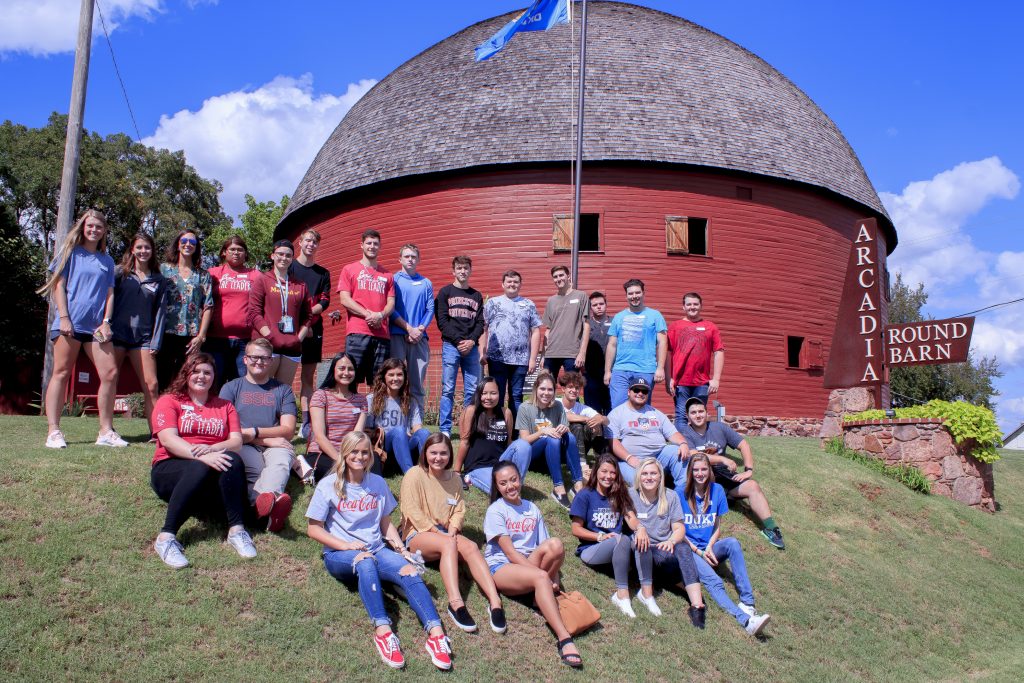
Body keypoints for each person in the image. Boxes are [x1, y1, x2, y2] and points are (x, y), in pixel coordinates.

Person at [305, 431, 453, 671]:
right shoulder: (328, 485)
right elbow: (314, 529)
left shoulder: (377, 483)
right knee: (365, 562)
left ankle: (436, 636)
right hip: (339, 553)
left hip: (376, 548)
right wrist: (346, 545)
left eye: (365, 452)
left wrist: (400, 549)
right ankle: (384, 633)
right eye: (354, 451)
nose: (360, 456)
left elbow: (385, 522)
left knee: (409, 572)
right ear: (344, 453)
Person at [149, 352, 257, 569]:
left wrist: (213, 448)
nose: (201, 376)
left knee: (233, 460)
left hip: (212, 467)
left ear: (214, 377)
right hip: (171, 467)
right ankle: (166, 538)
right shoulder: (169, 401)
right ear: (186, 374)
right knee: (200, 466)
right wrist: (203, 455)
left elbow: (235, 441)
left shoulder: (225, 406)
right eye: (195, 371)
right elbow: (168, 440)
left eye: (207, 372)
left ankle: (236, 531)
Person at [400, 433, 506, 634]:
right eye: (433, 453)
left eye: (443, 453)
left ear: (450, 455)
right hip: (418, 533)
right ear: (425, 453)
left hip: (445, 533)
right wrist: (438, 533)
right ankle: (456, 603)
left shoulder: (455, 479)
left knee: (472, 547)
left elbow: (459, 509)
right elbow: (411, 510)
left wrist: (452, 530)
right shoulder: (414, 474)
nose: (438, 458)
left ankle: (495, 602)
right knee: (449, 544)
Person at [38, 209, 126, 448]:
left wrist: (106, 322)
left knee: (110, 373)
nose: (94, 230)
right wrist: (64, 317)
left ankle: (106, 432)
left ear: (104, 231)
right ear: (83, 228)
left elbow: (110, 293)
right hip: (70, 323)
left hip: (96, 328)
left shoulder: (106, 260)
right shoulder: (70, 253)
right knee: (62, 373)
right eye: (90, 226)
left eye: (98, 227)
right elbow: (58, 286)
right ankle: (54, 431)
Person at [484, 462, 583, 668]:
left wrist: (554, 578)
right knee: (539, 577)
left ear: (520, 479)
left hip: (528, 565)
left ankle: (540, 594)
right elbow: (510, 553)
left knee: (556, 544)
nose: (510, 486)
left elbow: (544, 545)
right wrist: (543, 575)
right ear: (497, 486)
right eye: (503, 483)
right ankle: (564, 638)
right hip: (503, 567)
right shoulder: (496, 510)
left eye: (513, 480)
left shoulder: (532, 508)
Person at [679, 397, 785, 549]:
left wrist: (748, 470)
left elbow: (743, 445)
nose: (698, 415)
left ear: (707, 413)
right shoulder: (686, 433)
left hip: (725, 477)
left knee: (753, 486)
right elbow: (694, 455)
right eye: (693, 412)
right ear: (688, 417)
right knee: (706, 470)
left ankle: (771, 528)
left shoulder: (719, 428)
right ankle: (714, 503)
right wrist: (722, 459)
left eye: (701, 411)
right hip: (703, 478)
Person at [683, 453, 771, 635]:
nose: (700, 473)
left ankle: (747, 603)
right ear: (690, 472)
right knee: (715, 582)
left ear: (709, 470)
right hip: (690, 551)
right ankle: (746, 622)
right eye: (696, 470)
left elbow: (717, 524)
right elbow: (677, 531)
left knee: (732, 543)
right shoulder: (680, 493)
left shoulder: (717, 491)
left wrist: (709, 546)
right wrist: (699, 553)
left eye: (703, 469)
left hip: (708, 548)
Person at [219, 338, 297, 533]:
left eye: (264, 358)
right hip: (243, 445)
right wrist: (264, 438)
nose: (259, 362)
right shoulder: (230, 388)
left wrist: (252, 432)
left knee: (281, 462)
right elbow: (225, 429)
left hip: (272, 444)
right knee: (257, 469)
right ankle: (269, 513)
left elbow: (288, 429)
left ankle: (262, 509)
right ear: (245, 359)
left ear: (271, 361)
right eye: (254, 357)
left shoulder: (283, 390)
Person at [630, 458, 707, 626]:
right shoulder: (631, 494)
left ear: (660, 476)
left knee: (683, 548)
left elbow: (679, 528)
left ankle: (697, 605)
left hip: (665, 550)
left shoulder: (670, 496)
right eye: (644, 473)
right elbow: (629, 518)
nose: (649, 477)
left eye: (653, 473)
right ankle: (682, 587)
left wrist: (671, 541)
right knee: (647, 548)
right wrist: (640, 529)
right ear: (638, 476)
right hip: (643, 551)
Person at [569, 454, 639, 618]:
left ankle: (647, 592)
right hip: (591, 549)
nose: (608, 476)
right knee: (621, 538)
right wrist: (600, 537)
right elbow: (576, 529)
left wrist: (641, 529)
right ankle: (622, 595)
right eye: (604, 471)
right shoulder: (585, 495)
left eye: (612, 473)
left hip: (617, 545)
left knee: (635, 541)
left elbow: (632, 519)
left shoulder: (619, 495)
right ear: (595, 472)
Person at [505, 371, 583, 510]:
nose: (546, 393)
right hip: (532, 456)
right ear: (536, 389)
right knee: (550, 438)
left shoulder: (558, 407)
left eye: (550, 389)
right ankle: (558, 488)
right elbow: (523, 441)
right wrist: (542, 431)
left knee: (569, 436)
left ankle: (578, 485)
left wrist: (565, 429)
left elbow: (568, 438)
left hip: (552, 455)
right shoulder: (525, 407)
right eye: (542, 389)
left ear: (554, 391)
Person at [111, 232, 167, 424]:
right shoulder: (119, 273)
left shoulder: (159, 280)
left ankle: (156, 432)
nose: (143, 251)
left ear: (152, 251)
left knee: (152, 385)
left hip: (143, 339)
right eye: (140, 247)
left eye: (147, 248)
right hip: (116, 336)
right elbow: (107, 300)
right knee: (110, 382)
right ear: (132, 250)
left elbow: (160, 312)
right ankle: (106, 430)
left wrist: (156, 341)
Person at [247, 239, 312, 386]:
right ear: (272, 256)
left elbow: (307, 315)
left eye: (288, 255)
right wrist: (270, 335)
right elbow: (254, 312)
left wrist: (298, 339)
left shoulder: (300, 285)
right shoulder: (262, 280)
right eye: (280, 254)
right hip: (266, 345)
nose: (284, 258)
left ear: (292, 259)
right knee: (263, 389)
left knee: (282, 392)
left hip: (291, 346)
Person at [338, 229, 394, 391]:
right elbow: (345, 299)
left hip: (382, 334)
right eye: (368, 243)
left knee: (378, 381)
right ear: (361, 245)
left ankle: (374, 416)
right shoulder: (349, 269)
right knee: (350, 377)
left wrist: (381, 315)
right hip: (357, 333)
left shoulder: (388, 275)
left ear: (380, 246)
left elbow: (391, 303)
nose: (372, 246)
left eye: (375, 244)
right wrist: (368, 315)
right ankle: (352, 415)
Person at [288, 229, 332, 436]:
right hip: (288, 329)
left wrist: (308, 320)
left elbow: (324, 301)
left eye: (315, 242)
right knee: (283, 377)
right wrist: (300, 322)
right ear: (300, 242)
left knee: (307, 378)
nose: (311, 244)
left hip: (314, 329)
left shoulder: (323, 273)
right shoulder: (289, 267)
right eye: (308, 240)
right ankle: (282, 419)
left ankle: (305, 425)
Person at [453, 377, 530, 495]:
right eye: (484, 393)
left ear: (500, 394)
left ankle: (515, 483)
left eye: (493, 393)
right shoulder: (472, 411)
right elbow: (465, 442)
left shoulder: (506, 413)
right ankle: (509, 489)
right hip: (479, 467)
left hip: (501, 464)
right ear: (478, 394)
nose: (488, 397)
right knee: (499, 490)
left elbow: (509, 443)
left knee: (523, 445)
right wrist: (457, 471)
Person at [435, 255, 485, 437]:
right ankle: (445, 429)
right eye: (459, 268)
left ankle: (467, 427)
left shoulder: (476, 295)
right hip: (451, 346)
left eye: (466, 268)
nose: (463, 271)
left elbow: (480, 322)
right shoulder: (445, 293)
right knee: (448, 388)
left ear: (470, 271)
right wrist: (458, 341)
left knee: (472, 390)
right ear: (453, 271)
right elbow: (442, 321)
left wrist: (471, 341)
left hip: (471, 348)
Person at [607, 376, 689, 487]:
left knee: (676, 451)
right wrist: (629, 458)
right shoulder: (616, 414)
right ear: (628, 392)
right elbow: (613, 442)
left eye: (644, 391)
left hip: (658, 456)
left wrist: (683, 443)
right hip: (631, 460)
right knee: (640, 482)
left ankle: (682, 492)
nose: (640, 393)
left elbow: (673, 433)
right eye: (636, 390)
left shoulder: (656, 413)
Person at [158, 229, 213, 391]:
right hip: (165, 332)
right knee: (163, 376)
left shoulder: (203, 275)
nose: (188, 244)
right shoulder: (164, 269)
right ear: (177, 244)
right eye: (184, 241)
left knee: (187, 376)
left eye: (192, 242)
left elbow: (208, 305)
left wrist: (201, 336)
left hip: (191, 335)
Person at [481, 270, 541, 418]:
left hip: (521, 360)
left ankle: (516, 433)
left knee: (516, 396)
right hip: (496, 359)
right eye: (509, 281)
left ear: (520, 285)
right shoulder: (493, 303)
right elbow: (483, 328)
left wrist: (532, 359)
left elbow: (536, 331)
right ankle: (499, 428)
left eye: (515, 282)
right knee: (497, 395)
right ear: (503, 284)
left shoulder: (528, 305)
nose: (512, 284)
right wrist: (482, 352)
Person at [603, 279, 667, 409]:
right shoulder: (619, 317)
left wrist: (660, 368)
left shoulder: (655, 315)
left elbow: (662, 342)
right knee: (618, 408)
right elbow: (612, 345)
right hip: (620, 369)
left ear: (643, 293)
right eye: (630, 293)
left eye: (637, 292)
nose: (634, 296)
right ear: (626, 295)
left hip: (645, 370)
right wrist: (607, 371)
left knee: (641, 408)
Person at [666, 292, 724, 431]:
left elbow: (719, 352)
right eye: (689, 304)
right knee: (681, 415)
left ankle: (698, 446)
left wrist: (716, 379)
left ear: (701, 306)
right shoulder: (675, 326)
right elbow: (667, 353)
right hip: (681, 382)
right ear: (683, 307)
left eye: (695, 304)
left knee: (699, 416)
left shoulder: (711, 327)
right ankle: (684, 447)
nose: (692, 307)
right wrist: (669, 378)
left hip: (702, 383)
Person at [307, 353, 368, 483]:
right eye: (342, 368)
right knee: (342, 473)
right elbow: (319, 436)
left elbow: (357, 436)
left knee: (373, 465)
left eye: (350, 369)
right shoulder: (320, 396)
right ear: (333, 370)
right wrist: (340, 459)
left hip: (350, 452)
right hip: (323, 452)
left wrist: (351, 457)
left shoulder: (361, 400)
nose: (346, 372)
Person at [389, 243, 433, 414]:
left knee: (417, 383)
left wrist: (419, 330)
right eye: (407, 256)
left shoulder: (426, 283)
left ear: (418, 260)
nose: (410, 259)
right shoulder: (393, 280)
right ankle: (395, 419)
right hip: (397, 335)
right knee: (394, 380)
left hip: (420, 338)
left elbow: (430, 309)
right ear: (400, 259)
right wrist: (409, 329)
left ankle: (416, 423)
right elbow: (390, 308)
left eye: (413, 257)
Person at [206, 236, 257, 384]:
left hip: (244, 341)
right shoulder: (212, 273)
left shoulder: (255, 275)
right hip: (216, 339)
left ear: (245, 254)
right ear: (224, 252)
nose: (236, 253)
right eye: (232, 249)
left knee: (242, 383)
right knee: (214, 382)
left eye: (240, 250)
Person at [365, 358, 430, 474]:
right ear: (384, 377)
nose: (395, 379)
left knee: (424, 433)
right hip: (385, 446)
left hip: (405, 444)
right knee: (399, 431)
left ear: (405, 377)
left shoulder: (410, 401)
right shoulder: (372, 399)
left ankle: (429, 471)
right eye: (391, 375)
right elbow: (368, 430)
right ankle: (410, 475)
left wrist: (415, 433)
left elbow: (417, 428)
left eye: (399, 374)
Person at [541, 265, 589, 378]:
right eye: (555, 277)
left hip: (572, 353)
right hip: (551, 352)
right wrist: (543, 355)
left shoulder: (581, 296)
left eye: (561, 275)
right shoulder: (551, 301)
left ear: (568, 276)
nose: (558, 279)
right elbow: (548, 330)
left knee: (572, 388)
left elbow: (586, 326)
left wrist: (582, 353)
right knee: (547, 387)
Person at [557, 370, 610, 461]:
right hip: (559, 446)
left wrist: (599, 420)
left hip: (578, 444)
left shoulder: (583, 408)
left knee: (597, 424)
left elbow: (606, 420)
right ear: (563, 389)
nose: (574, 390)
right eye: (570, 387)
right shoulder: (556, 403)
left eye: (577, 388)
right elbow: (565, 415)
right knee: (577, 426)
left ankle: (602, 460)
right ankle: (581, 463)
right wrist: (585, 419)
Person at [583, 291, 612, 415]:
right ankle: (595, 434)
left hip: (611, 370)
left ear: (606, 304)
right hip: (591, 372)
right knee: (592, 407)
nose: (599, 307)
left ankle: (611, 433)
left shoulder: (615, 322)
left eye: (601, 304)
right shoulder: (586, 324)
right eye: (595, 305)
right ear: (590, 308)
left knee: (610, 404)